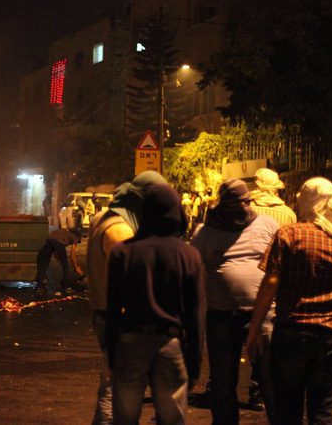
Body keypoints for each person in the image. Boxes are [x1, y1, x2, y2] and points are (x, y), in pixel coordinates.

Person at [246, 177, 332, 424]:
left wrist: (253, 330)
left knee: (288, 411)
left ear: (305, 202)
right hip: (330, 339)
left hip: (291, 334)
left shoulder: (288, 235)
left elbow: (270, 284)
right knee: (321, 412)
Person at [106, 184, 203, 425]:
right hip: (169, 342)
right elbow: (195, 313)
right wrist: (194, 362)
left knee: (125, 419)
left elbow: (113, 308)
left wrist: (111, 354)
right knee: (171, 419)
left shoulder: (122, 253)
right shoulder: (188, 255)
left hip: (130, 342)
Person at [191, 179, 278, 424]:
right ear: (224, 205)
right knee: (223, 382)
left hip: (262, 316)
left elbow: (282, 263)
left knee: (270, 379)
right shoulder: (205, 232)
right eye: (237, 203)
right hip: (221, 317)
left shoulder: (268, 225)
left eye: (246, 202)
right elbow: (191, 267)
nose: (243, 208)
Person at [86, 171, 167, 425]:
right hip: (123, 319)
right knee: (116, 390)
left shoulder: (104, 217)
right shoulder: (121, 232)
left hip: (109, 315)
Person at [34, 227, 83, 293]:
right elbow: (72, 256)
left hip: (49, 241)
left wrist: (60, 261)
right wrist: (76, 268)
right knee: (66, 266)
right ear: (77, 236)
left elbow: (55, 251)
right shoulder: (74, 237)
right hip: (57, 243)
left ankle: (39, 286)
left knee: (44, 262)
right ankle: (66, 286)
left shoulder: (62, 233)